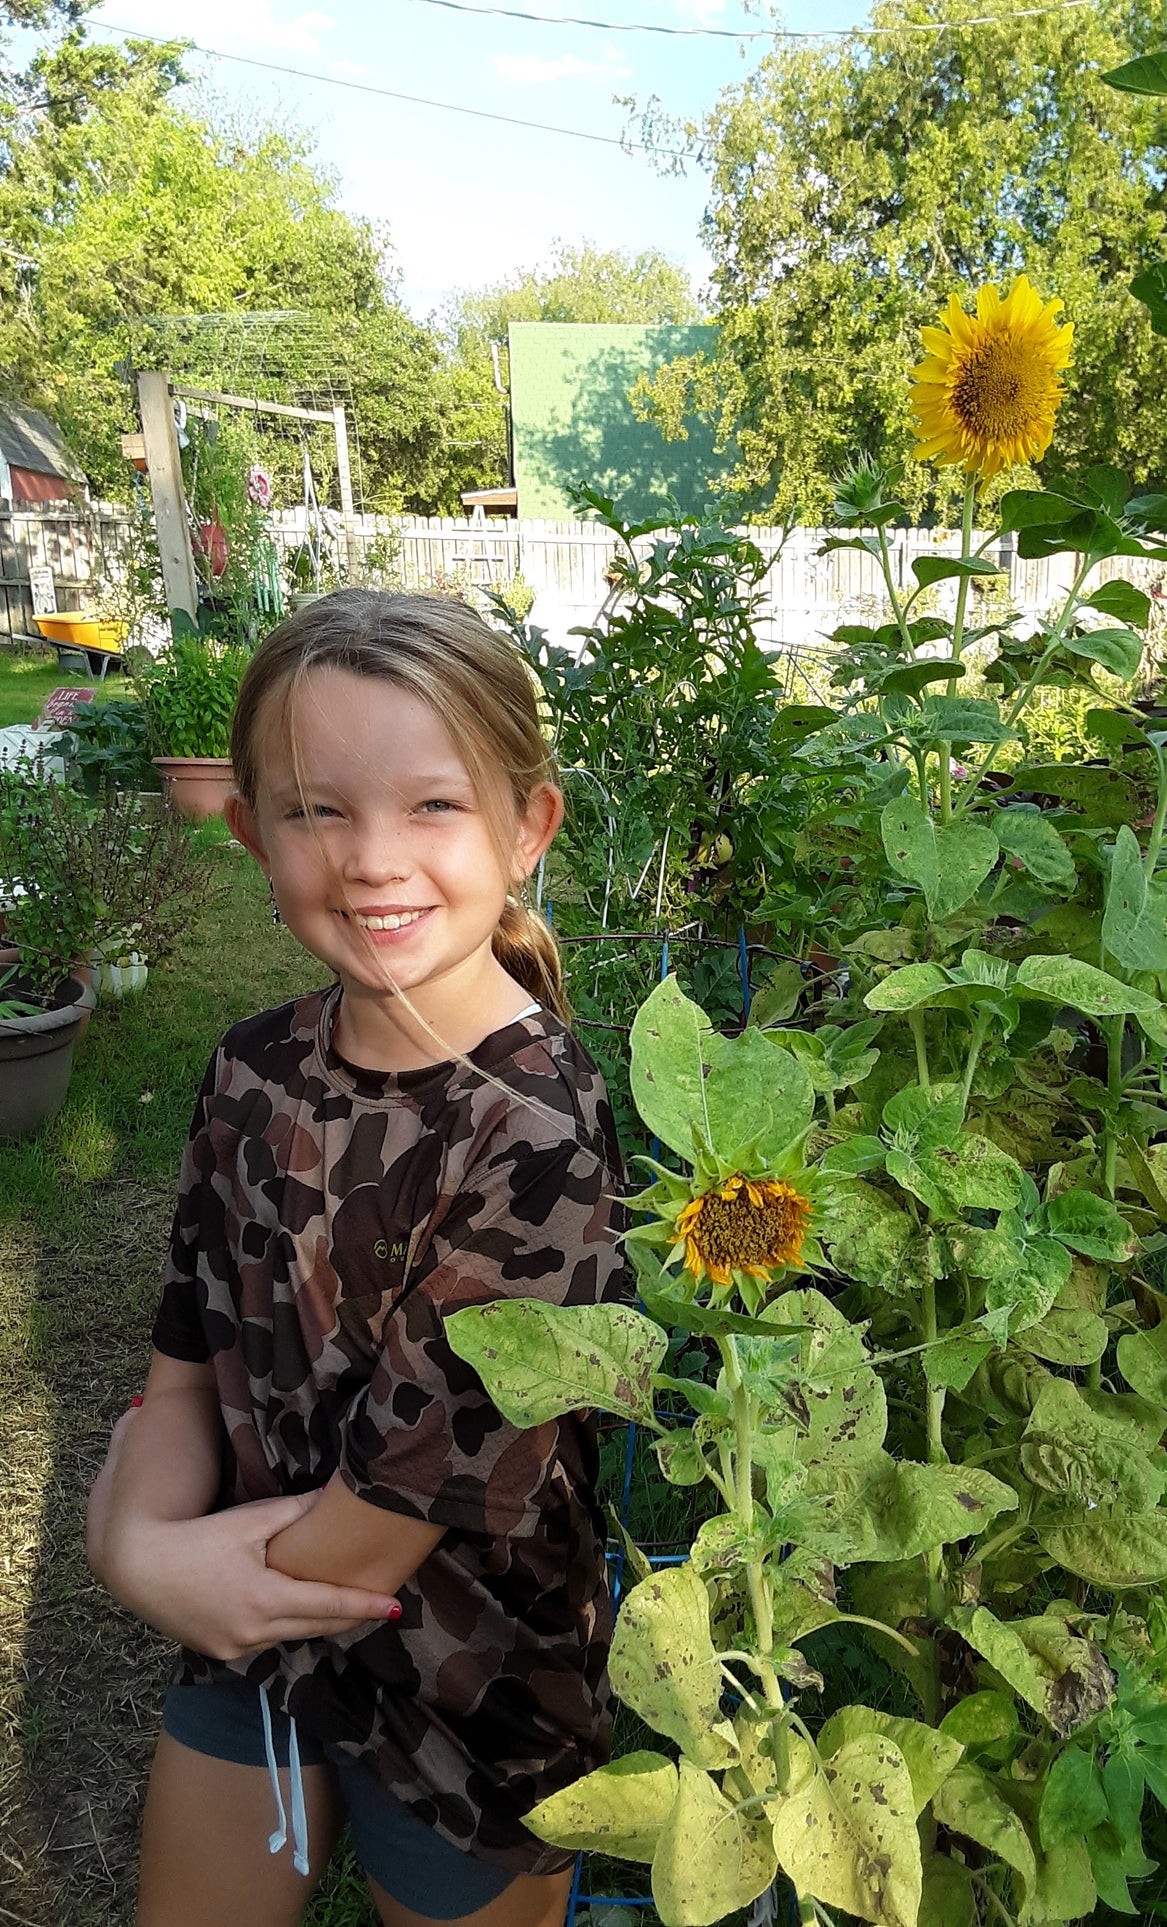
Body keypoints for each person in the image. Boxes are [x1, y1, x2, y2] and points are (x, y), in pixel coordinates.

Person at [86, 590, 629, 1927]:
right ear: (249, 833)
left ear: (526, 828)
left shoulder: (542, 1136)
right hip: (253, 1641)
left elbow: (370, 1547)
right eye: (318, 810)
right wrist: (162, 1530)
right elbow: (186, 1381)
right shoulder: (250, 1070)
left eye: (432, 806)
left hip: (465, 1683)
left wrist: (134, 1555)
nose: (372, 858)